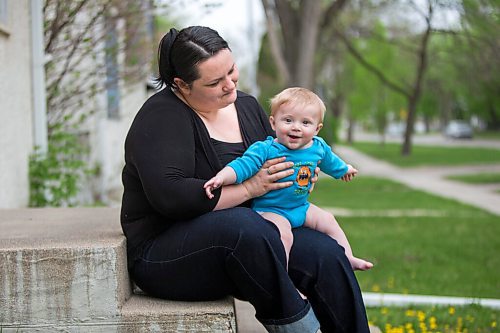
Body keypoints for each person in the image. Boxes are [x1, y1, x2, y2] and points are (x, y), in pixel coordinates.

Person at [120, 25, 371, 333]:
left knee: (325, 254)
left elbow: (279, 160)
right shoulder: (162, 115)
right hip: (168, 255)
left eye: (232, 70)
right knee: (244, 228)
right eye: (215, 82)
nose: (230, 85)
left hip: (256, 239)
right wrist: (251, 187)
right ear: (182, 85)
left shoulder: (247, 107)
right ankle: (300, 328)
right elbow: (173, 197)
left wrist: (300, 172)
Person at [204, 87, 373, 272]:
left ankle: (347, 258)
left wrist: (344, 170)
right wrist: (222, 177)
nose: (296, 127)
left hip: (300, 207)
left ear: (317, 129)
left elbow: (331, 162)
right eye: (288, 120)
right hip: (271, 210)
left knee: (329, 220)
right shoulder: (265, 149)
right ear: (273, 123)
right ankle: (282, 281)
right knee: (284, 236)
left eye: (305, 122)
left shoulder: (318, 147)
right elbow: (242, 166)